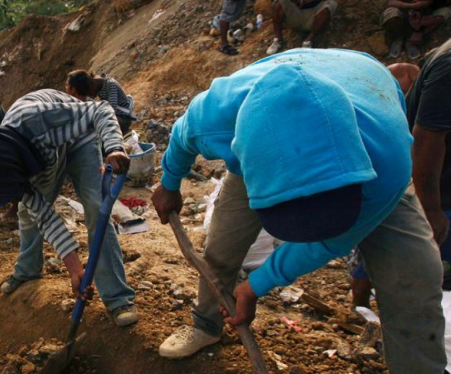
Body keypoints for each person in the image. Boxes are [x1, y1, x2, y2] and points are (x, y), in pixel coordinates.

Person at [151, 49, 445, 373]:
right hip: (262, 145)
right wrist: (169, 183)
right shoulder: (216, 119)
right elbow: (181, 136)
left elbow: (331, 241)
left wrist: (254, 285)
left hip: (368, 161)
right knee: (221, 247)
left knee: (414, 283)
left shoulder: (387, 160)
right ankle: (206, 325)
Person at [0, 89, 139, 327]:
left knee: (97, 208)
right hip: (45, 155)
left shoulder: (34, 118)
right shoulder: (9, 159)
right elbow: (46, 217)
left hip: (79, 140)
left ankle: (118, 299)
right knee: (27, 211)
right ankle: (28, 269)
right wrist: (76, 270)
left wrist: (114, 147)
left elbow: (100, 109)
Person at [350, 61, 422, 308]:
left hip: (392, 193)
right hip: (385, 194)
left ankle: (361, 310)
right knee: (368, 262)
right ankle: (359, 312)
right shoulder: (385, 121)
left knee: (370, 261)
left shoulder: (384, 116)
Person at [407, 38, 451, 288]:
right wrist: (431, 209)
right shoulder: (448, 65)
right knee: (433, 282)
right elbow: (425, 139)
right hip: (437, 194)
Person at [65, 70, 135, 135]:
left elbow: (111, 111)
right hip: (115, 115)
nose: (91, 96)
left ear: (92, 86)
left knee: (100, 123)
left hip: (124, 118)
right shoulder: (97, 86)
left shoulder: (110, 85)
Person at [381, 0, 451, 59]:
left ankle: (414, 41)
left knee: (445, 14)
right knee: (390, 13)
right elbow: (391, 3)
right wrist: (413, 6)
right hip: (404, 13)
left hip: (427, 15)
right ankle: (398, 38)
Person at [266, 0, 338, 54]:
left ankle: (308, 41)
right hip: (296, 13)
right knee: (279, 3)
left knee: (329, 4)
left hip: (314, 14)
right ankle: (278, 39)